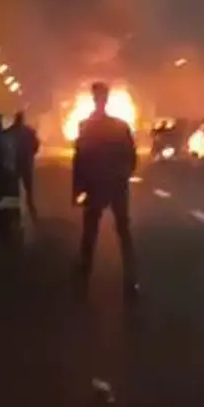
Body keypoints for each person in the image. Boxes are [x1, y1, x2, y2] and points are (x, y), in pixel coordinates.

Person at [72, 81, 139, 299]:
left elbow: (80, 159)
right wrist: (123, 175)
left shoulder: (86, 126)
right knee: (123, 231)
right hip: (116, 184)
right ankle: (131, 278)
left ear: (94, 98)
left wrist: (78, 189)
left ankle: (84, 273)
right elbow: (131, 156)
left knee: (90, 230)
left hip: (95, 184)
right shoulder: (120, 126)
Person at [5, 111, 40, 219]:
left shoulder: (9, 132)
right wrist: (30, 154)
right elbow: (36, 145)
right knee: (28, 188)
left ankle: (14, 214)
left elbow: (4, 146)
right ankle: (32, 211)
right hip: (26, 163)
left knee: (13, 190)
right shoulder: (29, 131)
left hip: (14, 164)